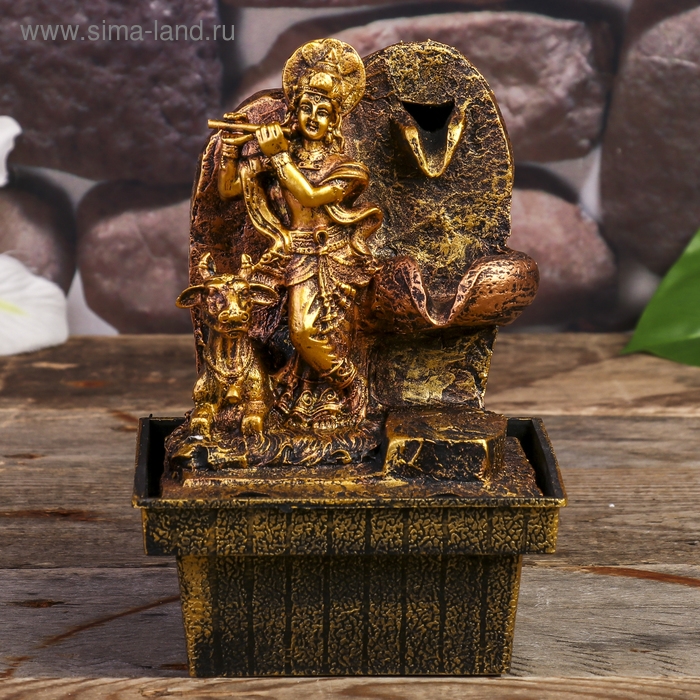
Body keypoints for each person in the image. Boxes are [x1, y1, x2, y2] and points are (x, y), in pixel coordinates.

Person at [216, 39, 382, 431]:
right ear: (295, 110)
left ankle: (351, 387)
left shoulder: (347, 169)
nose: (312, 117)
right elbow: (228, 190)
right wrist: (231, 149)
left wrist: (277, 156)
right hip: (290, 255)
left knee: (310, 332)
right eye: (306, 108)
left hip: (330, 259)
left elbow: (311, 196)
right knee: (271, 327)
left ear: (334, 120)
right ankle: (286, 400)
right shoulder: (282, 156)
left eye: (323, 112)